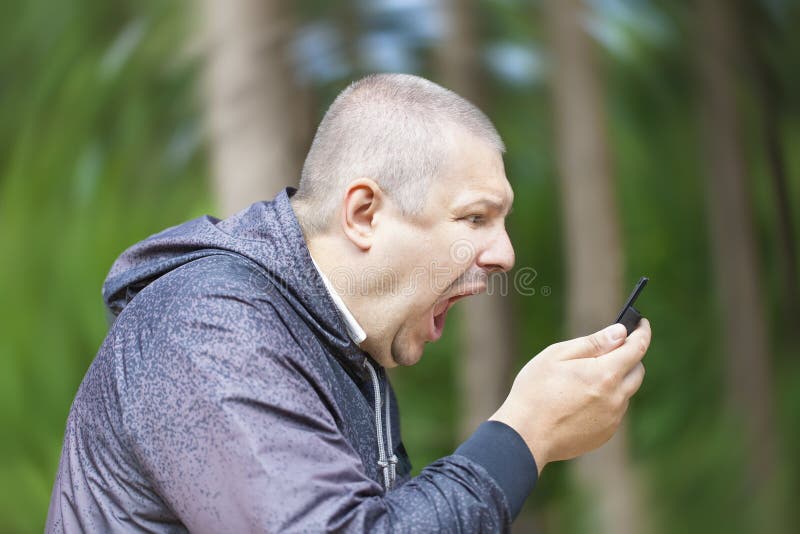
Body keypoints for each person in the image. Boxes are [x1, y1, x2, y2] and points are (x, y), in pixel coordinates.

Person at [46, 73, 650, 532]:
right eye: (475, 217)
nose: (505, 255)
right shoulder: (206, 327)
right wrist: (526, 433)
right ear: (363, 214)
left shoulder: (334, 344)